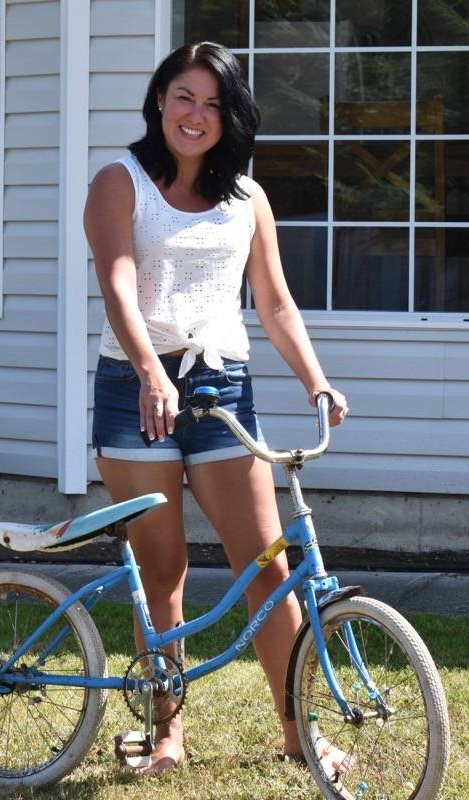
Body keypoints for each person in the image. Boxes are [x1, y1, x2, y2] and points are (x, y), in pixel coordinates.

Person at [83, 41, 350, 778]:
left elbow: (275, 303)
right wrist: (148, 371)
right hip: (137, 391)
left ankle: (299, 733)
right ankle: (168, 736)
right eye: (183, 97)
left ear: (230, 115)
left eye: (212, 102)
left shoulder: (247, 198)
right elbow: (117, 282)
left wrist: (317, 382)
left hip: (223, 386)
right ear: (160, 101)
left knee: (266, 567)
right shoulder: (120, 181)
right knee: (162, 571)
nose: (196, 115)